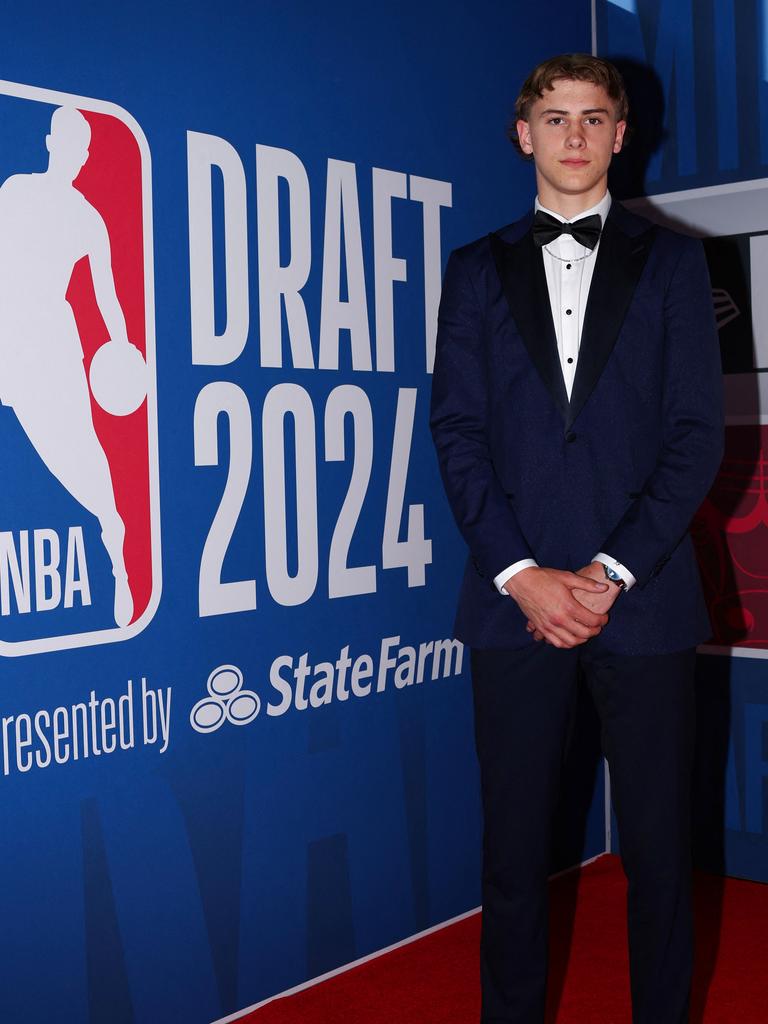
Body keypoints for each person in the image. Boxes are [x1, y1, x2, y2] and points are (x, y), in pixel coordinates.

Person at [430, 54, 723, 1024]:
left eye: (594, 117)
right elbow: (456, 433)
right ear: (524, 134)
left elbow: (694, 439)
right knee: (512, 862)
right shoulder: (471, 272)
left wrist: (604, 571)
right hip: (512, 609)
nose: (573, 135)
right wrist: (522, 575)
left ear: (620, 133)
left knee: (660, 857)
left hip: (643, 602)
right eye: (554, 117)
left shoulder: (679, 266)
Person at [0, 105, 134, 627]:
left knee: (84, 456)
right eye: (72, 145)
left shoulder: (87, 218)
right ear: (53, 143)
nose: (78, 158)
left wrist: (122, 348)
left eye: (85, 151)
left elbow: (107, 296)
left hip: (52, 348)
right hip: (10, 333)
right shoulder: (15, 190)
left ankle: (117, 552)